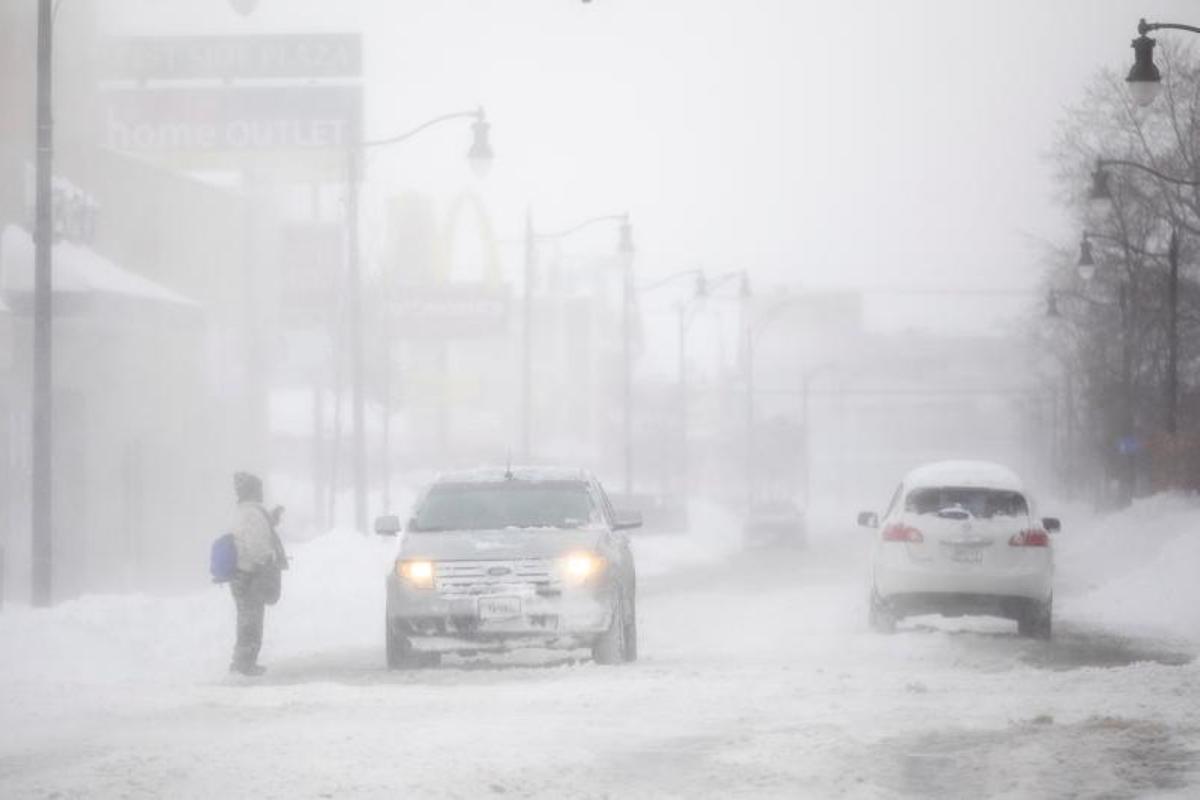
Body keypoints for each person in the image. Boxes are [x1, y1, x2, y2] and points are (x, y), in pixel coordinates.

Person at [228, 471, 285, 676]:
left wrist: (273, 518)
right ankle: (244, 664)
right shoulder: (252, 513)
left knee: (247, 618)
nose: (262, 492)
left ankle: (243, 661)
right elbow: (256, 544)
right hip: (249, 574)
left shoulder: (247, 512)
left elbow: (258, 530)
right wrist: (268, 558)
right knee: (250, 620)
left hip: (242, 573)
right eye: (259, 489)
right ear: (253, 491)